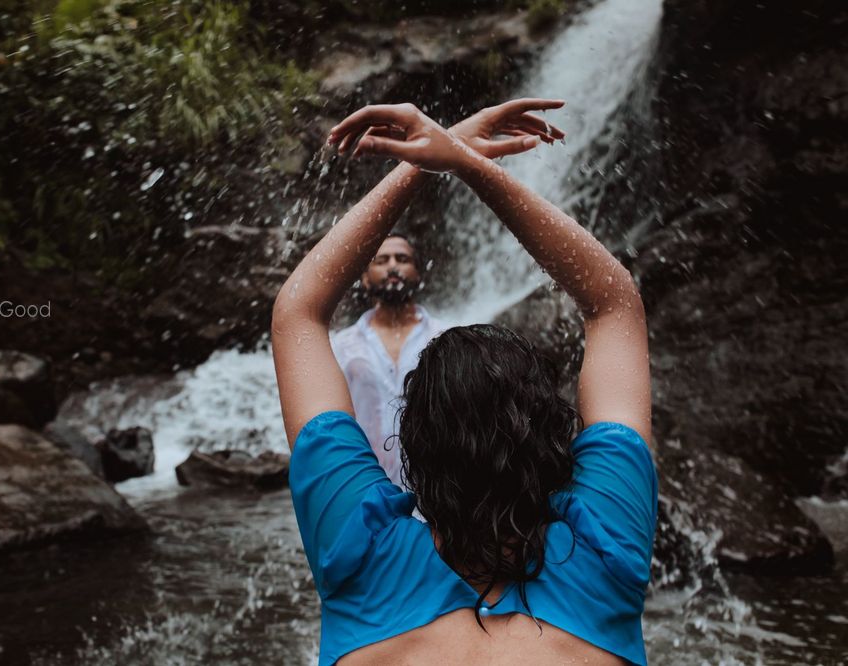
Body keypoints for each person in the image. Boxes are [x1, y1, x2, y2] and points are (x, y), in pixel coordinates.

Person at [271, 99, 656, 666]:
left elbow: (298, 313)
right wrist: (468, 165)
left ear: (413, 446)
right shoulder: (606, 557)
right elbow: (615, 303)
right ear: (555, 439)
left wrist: (426, 163)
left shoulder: (360, 558)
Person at [331, 231, 445, 488]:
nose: (393, 265)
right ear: (364, 277)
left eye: (402, 258)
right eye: (381, 260)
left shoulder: (445, 337)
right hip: (362, 484)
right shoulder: (341, 346)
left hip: (433, 488)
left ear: (418, 273)